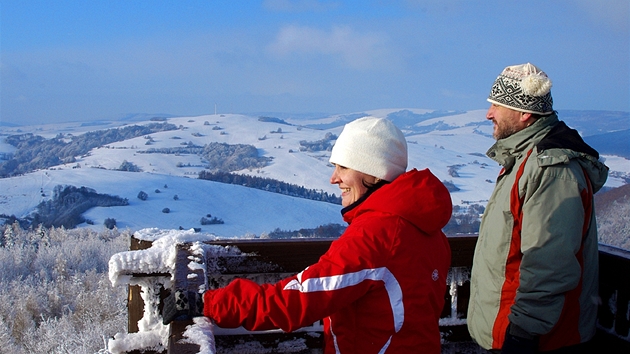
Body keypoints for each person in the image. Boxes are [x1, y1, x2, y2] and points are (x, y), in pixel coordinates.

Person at [163, 117, 453, 353]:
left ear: (374, 173)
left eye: (343, 167)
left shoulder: (378, 235)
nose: (333, 178)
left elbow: (297, 300)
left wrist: (207, 303)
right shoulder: (427, 229)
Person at [467, 63, 609, 353]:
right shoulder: (524, 158)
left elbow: (550, 261)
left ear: (524, 114)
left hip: (539, 340)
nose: (488, 113)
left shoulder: (552, 169)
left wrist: (522, 334)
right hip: (516, 332)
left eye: (497, 105)